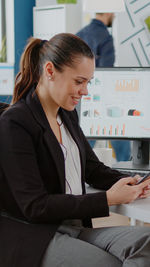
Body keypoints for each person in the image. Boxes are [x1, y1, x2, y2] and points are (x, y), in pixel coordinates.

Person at [0, 33, 150, 267]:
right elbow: (35, 207)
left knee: (146, 243)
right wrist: (108, 199)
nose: (85, 91)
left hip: (75, 225)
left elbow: (92, 169)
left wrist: (137, 181)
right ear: (50, 71)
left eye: (88, 82)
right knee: (109, 263)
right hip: (37, 234)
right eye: (79, 81)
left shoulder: (66, 113)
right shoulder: (15, 123)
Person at [76, 13, 131, 161]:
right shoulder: (106, 37)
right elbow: (106, 74)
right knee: (120, 137)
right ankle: (126, 170)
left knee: (83, 143)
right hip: (99, 97)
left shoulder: (80, 34)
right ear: (108, 12)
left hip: (80, 97)